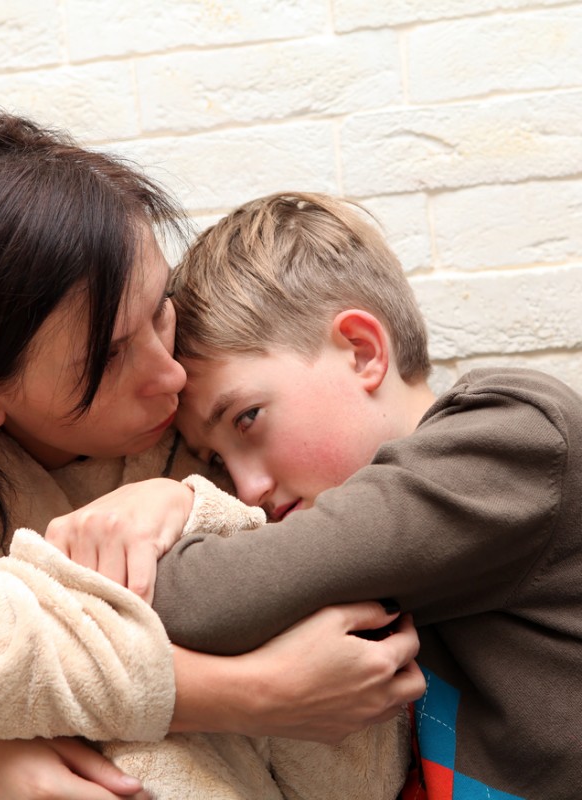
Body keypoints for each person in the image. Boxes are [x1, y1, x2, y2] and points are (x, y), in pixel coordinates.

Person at [0, 112, 423, 800]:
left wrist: (189, 504)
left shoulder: (216, 397)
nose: (170, 374)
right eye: (110, 356)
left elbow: (339, 638)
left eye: (158, 310)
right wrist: (228, 693)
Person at [133, 190, 582, 799]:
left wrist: (175, 504)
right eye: (214, 463)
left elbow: (198, 603)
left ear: (363, 351)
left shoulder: (514, 435)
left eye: (247, 419)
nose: (247, 488)